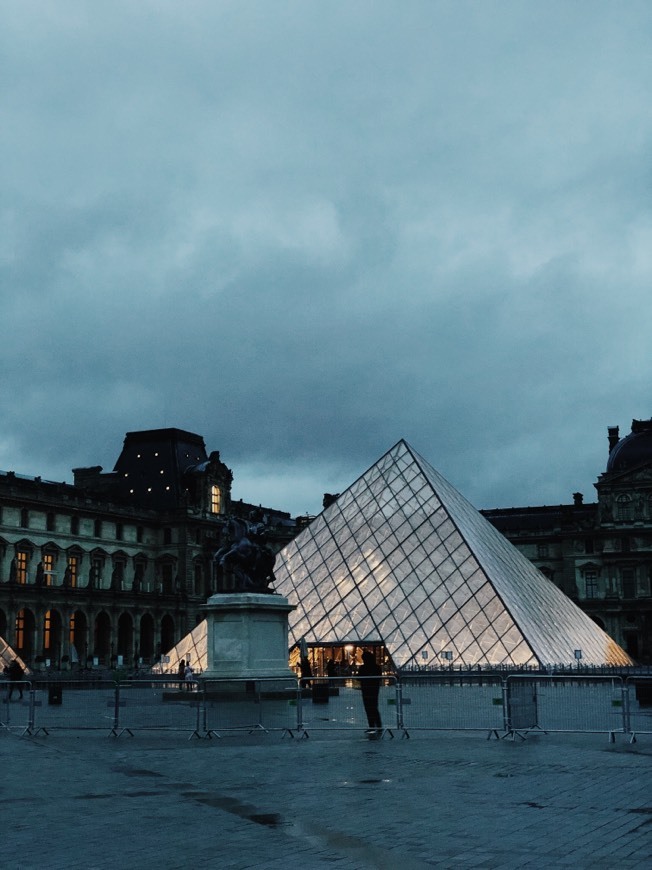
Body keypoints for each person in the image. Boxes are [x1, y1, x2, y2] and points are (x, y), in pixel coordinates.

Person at [358, 649, 382, 735]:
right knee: (374, 708)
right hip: (374, 689)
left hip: (366, 689)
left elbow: (358, 677)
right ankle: (378, 726)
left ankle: (372, 726)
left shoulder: (363, 668)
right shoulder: (377, 667)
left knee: (369, 709)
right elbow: (379, 678)